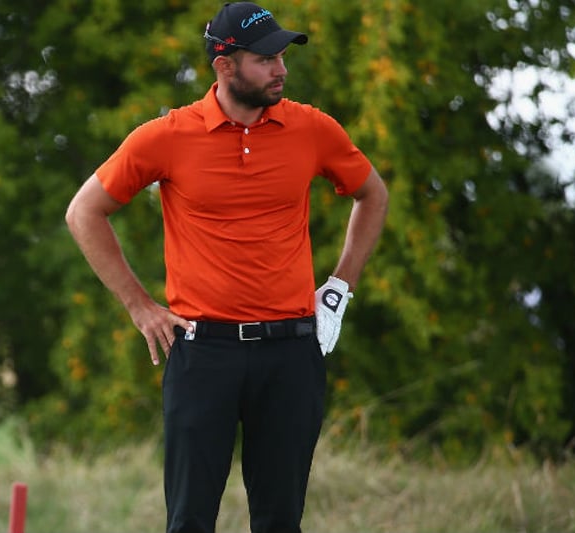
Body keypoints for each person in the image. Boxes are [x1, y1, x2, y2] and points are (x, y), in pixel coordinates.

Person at [65, 3, 389, 532]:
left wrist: (339, 287)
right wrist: (140, 307)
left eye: (282, 57)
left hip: (290, 352)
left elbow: (372, 195)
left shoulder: (311, 128)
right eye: (265, 59)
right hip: (202, 353)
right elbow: (84, 212)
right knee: (190, 520)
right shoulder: (168, 135)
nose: (280, 69)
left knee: (280, 521)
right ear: (224, 66)